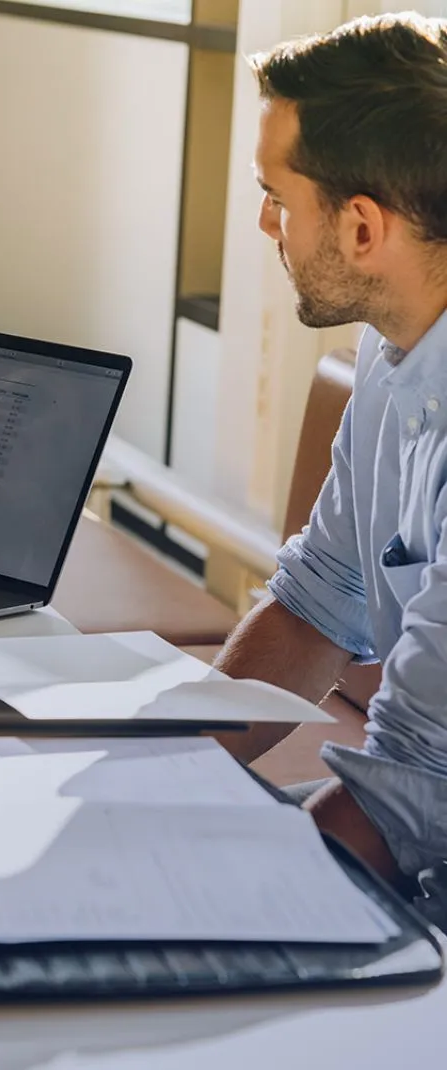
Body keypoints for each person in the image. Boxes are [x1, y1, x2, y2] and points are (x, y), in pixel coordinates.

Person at [216, 12, 447, 888]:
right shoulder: (392, 355)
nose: (265, 221)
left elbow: (406, 795)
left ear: (360, 228)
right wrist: (142, 783)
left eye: (278, 196)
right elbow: (318, 602)